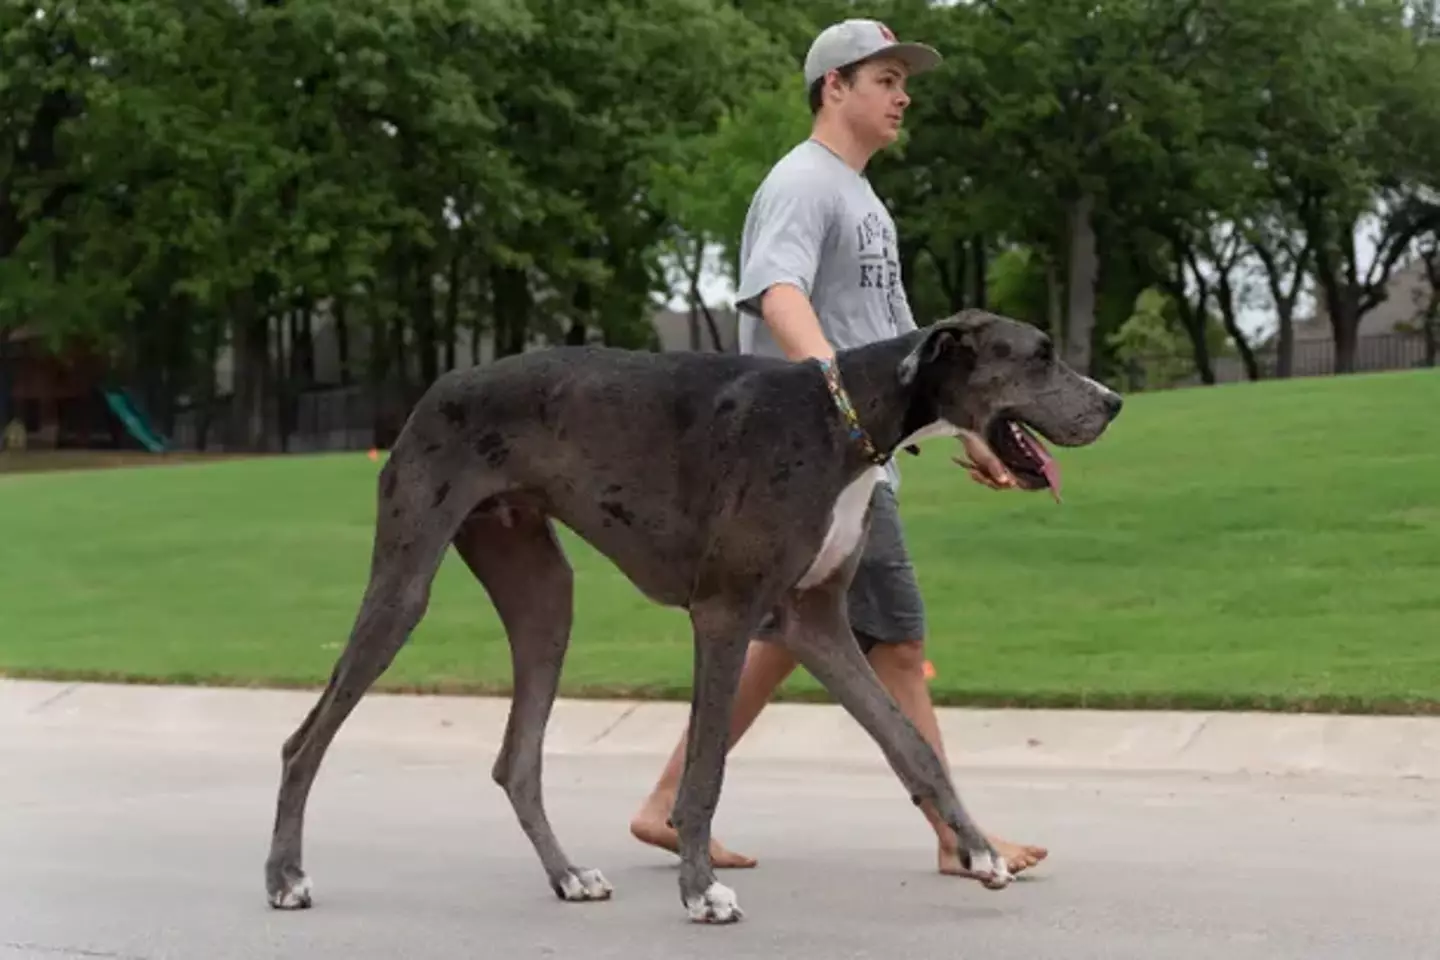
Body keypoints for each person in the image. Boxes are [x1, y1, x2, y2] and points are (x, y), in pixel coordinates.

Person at [628, 18, 1049, 878]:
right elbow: (777, 292)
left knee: (790, 634)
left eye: (905, 82)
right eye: (886, 79)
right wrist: (837, 401)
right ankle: (956, 835)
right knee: (895, 641)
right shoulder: (803, 183)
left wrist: (969, 428)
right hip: (819, 455)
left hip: (853, 454)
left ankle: (669, 801)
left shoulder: (862, 198)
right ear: (835, 88)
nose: (903, 96)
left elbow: (903, 351)